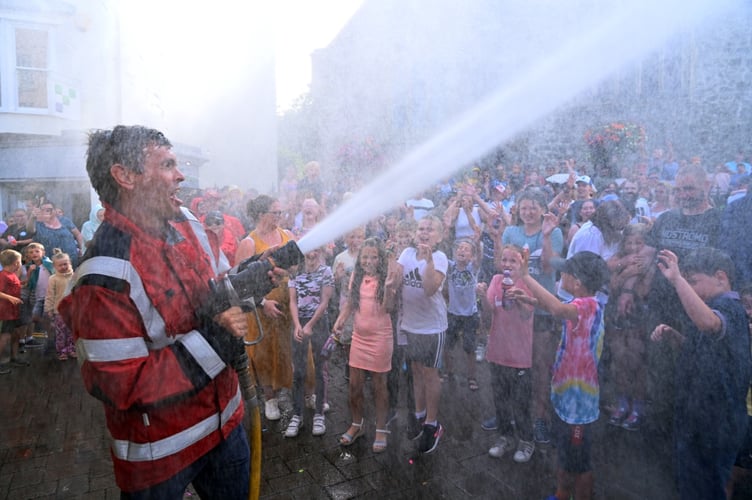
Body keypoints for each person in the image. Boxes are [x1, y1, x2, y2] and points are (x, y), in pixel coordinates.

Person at [58, 125, 266, 498]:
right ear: (125, 176)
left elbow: (212, 291)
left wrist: (252, 278)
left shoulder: (186, 222)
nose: (181, 175)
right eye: (168, 164)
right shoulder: (104, 274)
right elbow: (122, 383)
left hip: (227, 425)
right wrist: (216, 340)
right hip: (161, 455)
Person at [650, 248, 751, 500]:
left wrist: (677, 279)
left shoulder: (731, 308)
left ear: (720, 276)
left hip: (716, 421)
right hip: (698, 416)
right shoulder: (709, 307)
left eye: (693, 281)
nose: (690, 288)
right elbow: (705, 350)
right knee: (693, 483)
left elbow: (710, 324)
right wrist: (675, 337)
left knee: (705, 488)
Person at [512, 248, 610, 500]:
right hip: (567, 399)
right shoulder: (582, 304)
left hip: (579, 407)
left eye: (564, 273)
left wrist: (526, 276)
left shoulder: (587, 306)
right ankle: (561, 493)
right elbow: (561, 308)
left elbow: (557, 309)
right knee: (566, 455)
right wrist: (530, 299)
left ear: (577, 282)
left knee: (580, 462)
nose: (560, 275)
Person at [500, 188, 563, 443]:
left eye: (533, 207)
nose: (528, 212)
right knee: (513, 365)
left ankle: (540, 418)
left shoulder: (554, 232)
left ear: (542, 208)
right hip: (514, 307)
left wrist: (546, 236)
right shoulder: (510, 232)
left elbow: (549, 267)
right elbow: (503, 266)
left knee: (539, 367)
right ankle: (513, 414)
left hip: (541, 307)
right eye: (524, 207)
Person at [334, 238, 401, 452]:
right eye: (365, 256)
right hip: (359, 338)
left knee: (379, 387)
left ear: (380, 258)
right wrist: (340, 320)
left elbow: (389, 309)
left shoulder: (386, 277)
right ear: (360, 258)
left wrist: (389, 289)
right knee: (355, 386)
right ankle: (357, 424)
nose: (369, 260)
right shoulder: (358, 274)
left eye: (373, 257)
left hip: (381, 338)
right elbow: (352, 302)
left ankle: (381, 428)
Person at [236, 195, 296, 421]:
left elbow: (296, 268)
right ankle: (269, 398)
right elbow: (238, 284)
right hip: (260, 310)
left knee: (284, 350)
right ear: (261, 214)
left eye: (281, 212)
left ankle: (285, 390)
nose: (280, 217)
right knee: (262, 355)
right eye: (275, 213)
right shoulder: (248, 243)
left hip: (285, 306)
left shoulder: (287, 235)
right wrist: (263, 303)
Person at [479, 244, 537, 463]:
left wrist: (520, 298)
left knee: (521, 401)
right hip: (498, 351)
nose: (507, 265)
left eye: (513, 261)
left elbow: (526, 315)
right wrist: (483, 295)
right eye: (504, 260)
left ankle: (526, 440)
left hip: (520, 354)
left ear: (522, 262)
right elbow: (490, 311)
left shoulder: (527, 282)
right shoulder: (496, 280)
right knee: (500, 399)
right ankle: (504, 437)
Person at [399, 215, 448, 454]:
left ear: (439, 236)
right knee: (416, 370)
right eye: (421, 228)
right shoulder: (406, 254)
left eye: (430, 229)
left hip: (432, 327)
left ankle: (432, 423)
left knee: (430, 374)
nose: (424, 232)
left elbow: (429, 290)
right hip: (410, 324)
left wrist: (428, 262)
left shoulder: (440, 258)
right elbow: (395, 280)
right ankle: (419, 415)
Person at [604, 223, 657, 430]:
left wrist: (625, 274)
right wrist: (626, 273)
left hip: (638, 317)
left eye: (639, 243)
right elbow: (612, 285)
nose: (634, 248)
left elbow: (644, 290)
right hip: (617, 317)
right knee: (619, 361)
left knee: (637, 362)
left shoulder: (649, 262)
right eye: (630, 243)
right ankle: (623, 402)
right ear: (623, 243)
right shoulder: (619, 260)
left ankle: (638, 406)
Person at [284, 247, 334, 438]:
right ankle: (297, 414)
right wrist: (297, 325)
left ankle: (319, 413)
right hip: (300, 322)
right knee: (298, 370)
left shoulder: (326, 271)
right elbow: (292, 301)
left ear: (320, 251)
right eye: (308, 252)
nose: (311, 255)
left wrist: (310, 325)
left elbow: (325, 301)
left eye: (315, 251)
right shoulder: (295, 272)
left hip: (319, 322)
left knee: (320, 368)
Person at [442, 239, 480, 390]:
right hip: (453, 312)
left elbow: (479, 258)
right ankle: (450, 372)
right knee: (447, 345)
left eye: (466, 249)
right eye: (459, 249)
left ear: (471, 256)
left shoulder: (472, 267)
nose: (462, 251)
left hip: (470, 314)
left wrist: (477, 243)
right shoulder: (450, 267)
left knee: (470, 348)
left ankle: (472, 376)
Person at [28, 200, 84, 268]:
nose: (47, 211)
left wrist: (82, 248)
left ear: (54, 210)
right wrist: (32, 218)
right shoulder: (38, 224)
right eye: (43, 210)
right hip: (50, 262)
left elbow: (78, 234)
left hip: (71, 259)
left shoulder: (64, 220)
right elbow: (30, 230)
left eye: (49, 209)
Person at [44, 249, 75, 360]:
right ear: (55, 266)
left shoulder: (75, 276)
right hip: (59, 311)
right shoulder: (53, 279)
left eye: (65, 264)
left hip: (74, 310)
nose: (63, 267)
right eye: (60, 265)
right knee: (61, 332)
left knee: (72, 331)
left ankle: (71, 349)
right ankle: (62, 351)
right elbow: (50, 295)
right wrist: (49, 309)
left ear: (70, 263)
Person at [0, 249, 24, 374]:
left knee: (16, 334)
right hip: (5, 311)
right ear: (16, 263)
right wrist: (11, 298)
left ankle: (14, 357)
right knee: (6, 336)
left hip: (14, 311)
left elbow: (16, 286)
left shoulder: (12, 274)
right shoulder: (3, 276)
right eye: (20, 261)